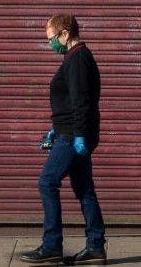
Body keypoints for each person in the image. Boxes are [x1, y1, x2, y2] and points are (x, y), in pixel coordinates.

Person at [20, 14, 107, 265]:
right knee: (84, 190)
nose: (51, 44)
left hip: (73, 135)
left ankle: (51, 246)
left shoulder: (77, 59)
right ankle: (95, 247)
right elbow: (70, 102)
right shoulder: (75, 57)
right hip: (69, 131)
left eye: (52, 38)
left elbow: (81, 101)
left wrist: (77, 134)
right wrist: (54, 129)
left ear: (65, 33)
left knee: (47, 182)